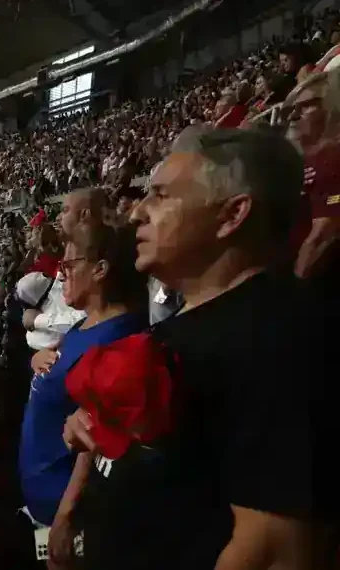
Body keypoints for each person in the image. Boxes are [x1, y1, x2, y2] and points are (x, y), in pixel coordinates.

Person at [64, 126, 337, 569]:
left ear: (232, 215)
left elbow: (274, 552)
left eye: (161, 195)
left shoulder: (280, 338)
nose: (137, 214)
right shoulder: (198, 324)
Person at [18, 221, 149, 568]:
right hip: (46, 498)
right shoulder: (87, 324)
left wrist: (65, 517)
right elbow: (57, 356)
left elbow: (98, 435)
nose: (61, 276)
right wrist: (36, 358)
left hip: (69, 514)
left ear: (100, 270)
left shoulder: (116, 337)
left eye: (68, 266)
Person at [284, 70, 340, 291]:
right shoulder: (312, 158)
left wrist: (295, 296)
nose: (293, 116)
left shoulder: (331, 157)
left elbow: (323, 235)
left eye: (306, 106)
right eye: (294, 109)